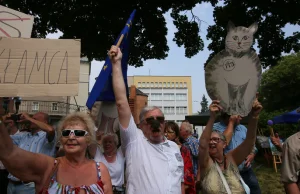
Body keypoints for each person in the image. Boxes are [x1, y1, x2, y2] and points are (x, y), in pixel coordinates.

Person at [109, 45, 184, 194]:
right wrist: (116, 64)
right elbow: (121, 103)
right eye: (150, 120)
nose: (156, 123)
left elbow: (179, 181)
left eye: (160, 119)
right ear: (141, 125)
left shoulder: (174, 148)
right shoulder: (134, 140)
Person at [0, 111, 113, 194]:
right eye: (66, 132)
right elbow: (10, 154)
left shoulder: (101, 170)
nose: (71, 136)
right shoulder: (49, 166)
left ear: (88, 139)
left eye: (78, 132)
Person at [199, 99, 262, 194]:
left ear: (224, 144)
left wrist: (254, 117)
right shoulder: (206, 163)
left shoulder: (230, 159)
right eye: (210, 139)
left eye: (216, 139)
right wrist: (212, 117)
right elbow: (203, 145)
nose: (212, 142)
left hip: (246, 171)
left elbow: (249, 142)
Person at [5, 112, 56, 194]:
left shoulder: (46, 137)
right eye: (32, 118)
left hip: (30, 187)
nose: (31, 121)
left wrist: (29, 118)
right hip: (11, 185)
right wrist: (2, 121)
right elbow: (3, 140)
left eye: (35, 119)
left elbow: (50, 130)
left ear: (45, 122)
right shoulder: (23, 136)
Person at [165, 121, 196, 194]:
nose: (166, 134)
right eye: (165, 132)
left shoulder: (183, 151)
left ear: (176, 135)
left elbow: (188, 178)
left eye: (170, 132)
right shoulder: (160, 150)